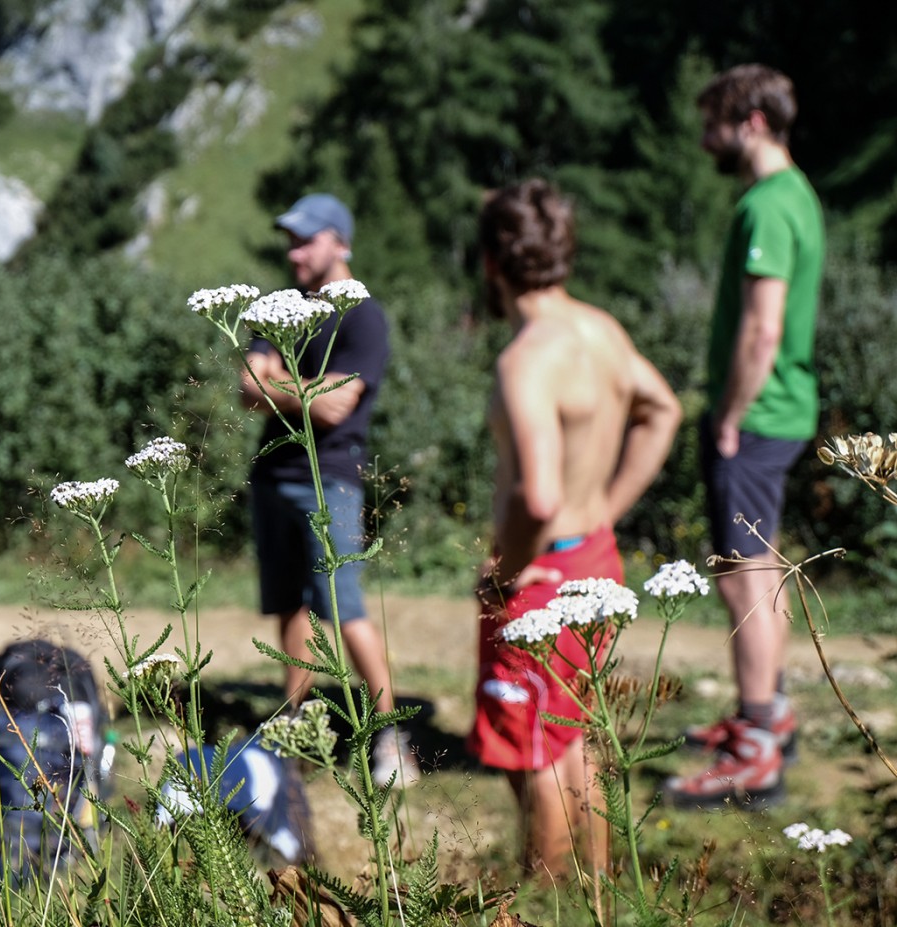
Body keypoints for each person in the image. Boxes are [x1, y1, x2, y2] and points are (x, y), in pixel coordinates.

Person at [468, 180, 681, 876]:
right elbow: (663, 409)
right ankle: (593, 896)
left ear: (493, 262)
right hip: (595, 553)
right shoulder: (602, 330)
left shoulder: (526, 361)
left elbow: (537, 491)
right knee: (571, 735)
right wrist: (610, 507)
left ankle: (542, 900)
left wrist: (504, 574)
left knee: (533, 745)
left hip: (540, 572)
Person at [662, 65, 825, 810]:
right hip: (783, 412)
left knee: (740, 575)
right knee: (764, 567)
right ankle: (773, 714)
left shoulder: (765, 207)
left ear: (751, 121)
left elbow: (762, 329)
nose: (704, 139)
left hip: (756, 417)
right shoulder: (798, 196)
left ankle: (758, 749)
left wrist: (726, 414)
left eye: (714, 123)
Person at [240, 192, 415, 787]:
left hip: (330, 479)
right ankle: (293, 726)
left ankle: (390, 734)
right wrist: (304, 387)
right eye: (289, 239)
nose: (293, 251)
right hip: (273, 476)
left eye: (305, 239)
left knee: (342, 604)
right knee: (290, 604)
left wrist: (278, 381)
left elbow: (339, 407)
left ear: (340, 242)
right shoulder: (283, 306)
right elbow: (247, 383)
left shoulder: (361, 315)